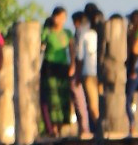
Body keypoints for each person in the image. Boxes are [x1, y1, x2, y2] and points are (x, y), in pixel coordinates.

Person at [40, 8, 74, 136]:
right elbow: (40, 47)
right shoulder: (47, 32)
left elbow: (72, 49)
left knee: (63, 96)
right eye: (58, 17)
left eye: (63, 18)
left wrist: (73, 65)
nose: (60, 20)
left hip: (63, 65)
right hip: (49, 65)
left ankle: (61, 125)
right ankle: (52, 127)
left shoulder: (67, 33)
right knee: (51, 97)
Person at [74, 9, 102, 137]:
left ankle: (96, 129)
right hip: (102, 73)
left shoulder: (84, 33)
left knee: (92, 105)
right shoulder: (102, 33)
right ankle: (99, 128)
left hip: (88, 73)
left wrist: (77, 75)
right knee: (100, 103)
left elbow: (79, 57)